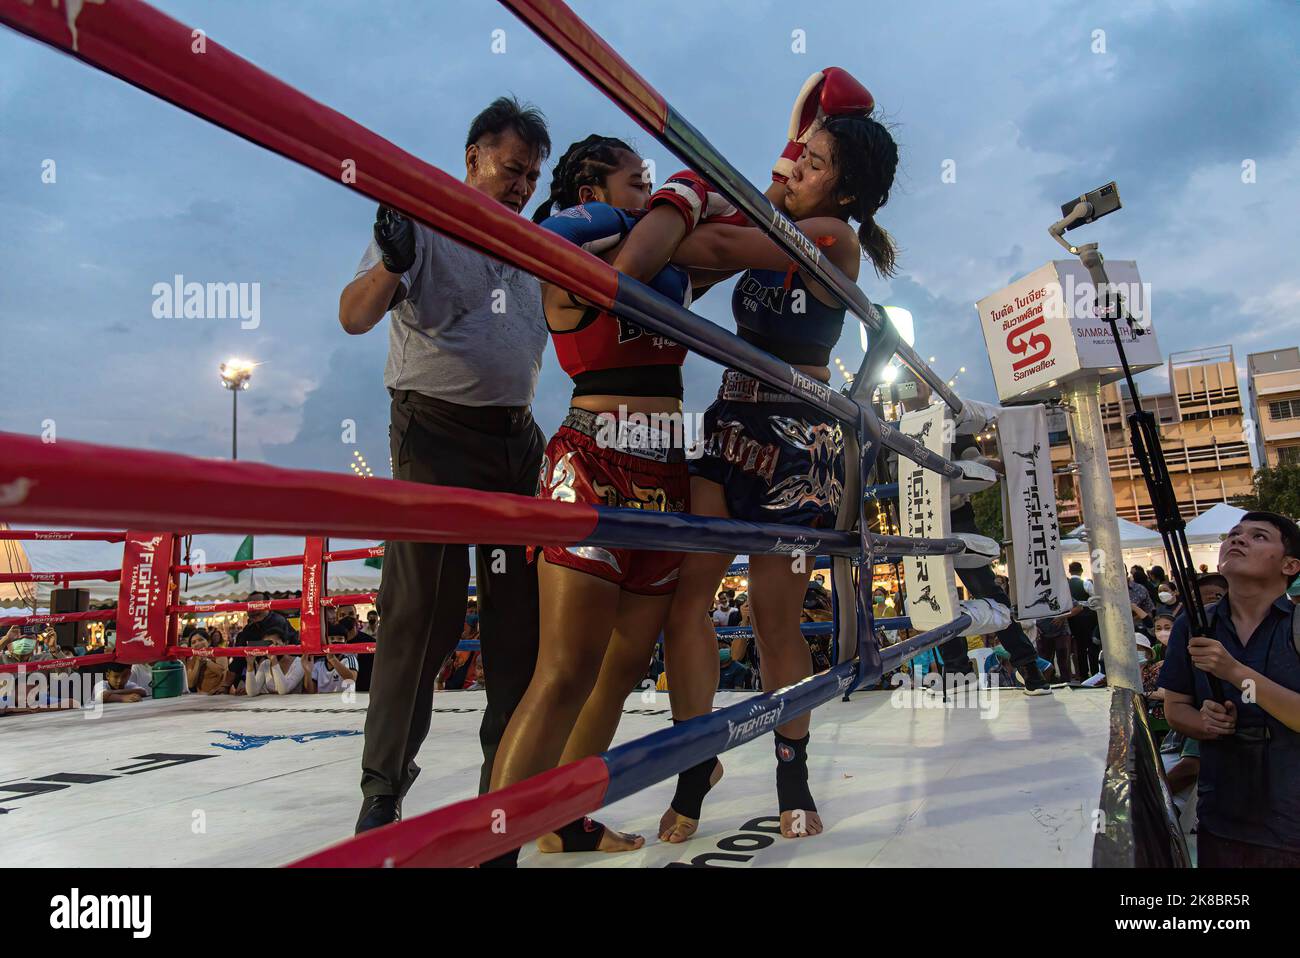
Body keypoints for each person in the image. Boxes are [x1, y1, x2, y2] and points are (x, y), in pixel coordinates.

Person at [658, 68, 887, 843]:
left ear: (845, 191)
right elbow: (728, 236)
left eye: (814, 165)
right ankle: (697, 763)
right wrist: (801, 130)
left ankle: (794, 777)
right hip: (730, 421)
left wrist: (653, 220)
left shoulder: (832, 236)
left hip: (798, 441)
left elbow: (715, 241)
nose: (794, 170)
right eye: (800, 158)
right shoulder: (786, 209)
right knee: (685, 599)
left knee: (773, 618)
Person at [486, 133, 716, 861]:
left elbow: (727, 245)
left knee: (619, 670)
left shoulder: (668, 263)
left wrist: (746, 200)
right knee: (564, 671)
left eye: (653, 184)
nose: (649, 196)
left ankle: (566, 816)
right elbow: (560, 240)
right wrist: (677, 201)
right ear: (592, 192)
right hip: (593, 465)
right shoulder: (569, 256)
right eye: (635, 183)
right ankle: (493, 853)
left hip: (665, 477)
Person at [339, 97, 552, 833]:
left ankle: (508, 786)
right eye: (511, 168)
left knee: (519, 624)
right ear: (472, 157)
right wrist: (393, 262)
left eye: (532, 174)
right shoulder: (422, 218)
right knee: (418, 617)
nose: (522, 184)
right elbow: (354, 314)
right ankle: (382, 794)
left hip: (514, 439)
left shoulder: (538, 244)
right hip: (432, 431)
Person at [1158, 512, 1300, 866]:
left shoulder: (1297, 626)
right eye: (1234, 534)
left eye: (1258, 537)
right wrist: (1202, 724)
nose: (1238, 539)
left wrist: (1234, 671)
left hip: (1291, 820)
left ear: (1290, 565)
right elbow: (1176, 708)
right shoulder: (1192, 625)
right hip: (1221, 820)